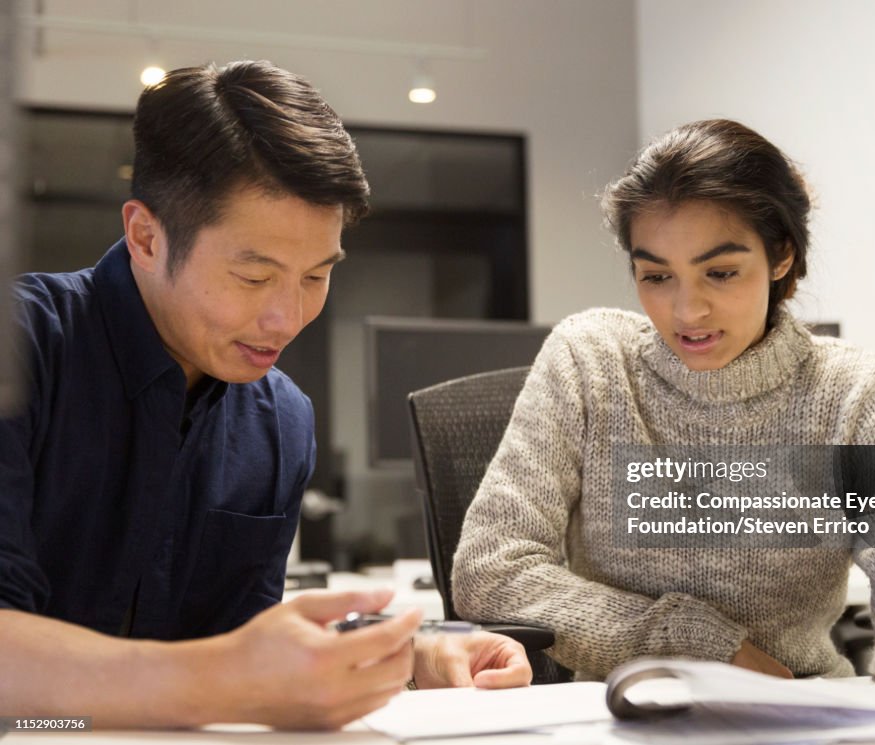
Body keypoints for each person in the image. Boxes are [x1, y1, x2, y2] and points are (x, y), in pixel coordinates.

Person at [0, 60, 530, 730]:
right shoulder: (22, 349)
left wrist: (406, 658)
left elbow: (243, 643)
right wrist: (227, 678)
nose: (288, 318)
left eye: (316, 275)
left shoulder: (279, 420)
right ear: (145, 236)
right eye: (254, 276)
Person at [452, 119, 875, 689]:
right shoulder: (588, 361)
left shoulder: (854, 391)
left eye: (720, 272)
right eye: (656, 276)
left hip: (799, 705)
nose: (688, 311)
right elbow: (492, 568)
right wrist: (693, 643)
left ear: (781, 255)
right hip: (620, 714)